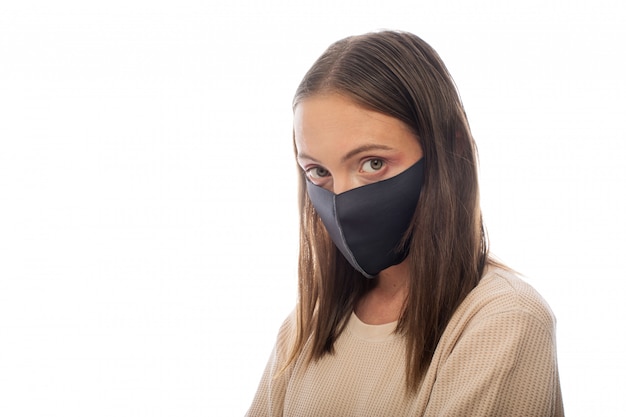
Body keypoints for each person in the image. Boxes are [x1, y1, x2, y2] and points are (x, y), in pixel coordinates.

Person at [246, 30, 563, 416]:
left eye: (373, 163)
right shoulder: (305, 327)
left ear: (452, 151)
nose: (342, 198)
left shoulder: (501, 321)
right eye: (318, 171)